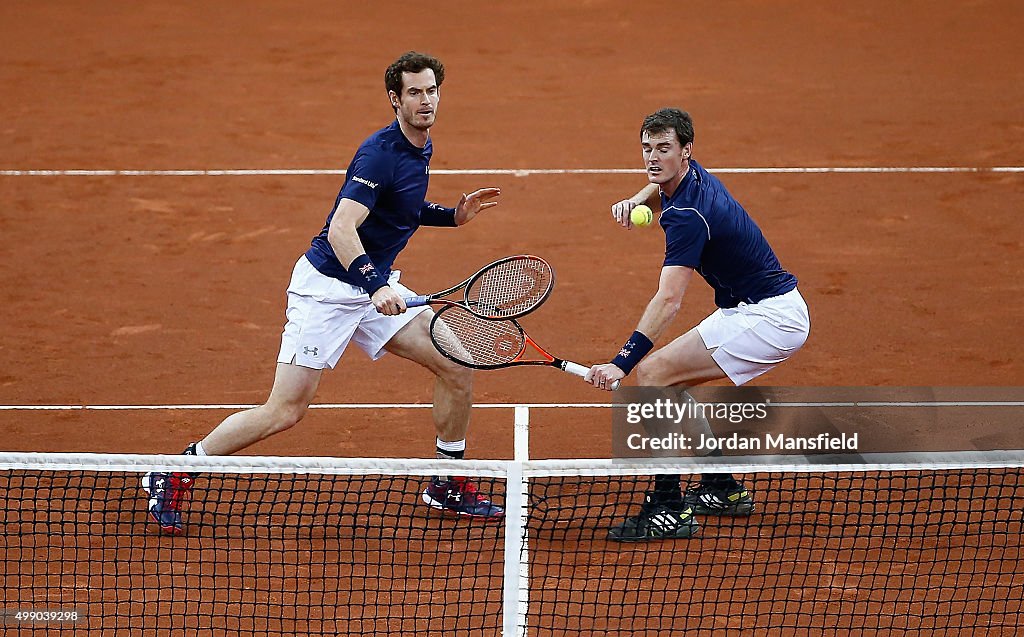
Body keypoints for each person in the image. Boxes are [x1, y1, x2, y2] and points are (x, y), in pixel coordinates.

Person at [142, 51, 504, 535]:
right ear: (395, 99)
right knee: (285, 410)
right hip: (330, 291)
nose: (425, 101)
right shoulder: (379, 153)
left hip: (370, 285)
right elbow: (341, 228)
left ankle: (447, 482)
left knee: (457, 362)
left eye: (431, 90)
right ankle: (173, 471)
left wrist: (450, 217)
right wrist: (376, 285)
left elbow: (401, 206)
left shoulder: (420, 145)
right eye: (414, 92)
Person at [585, 108, 810, 541]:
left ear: (687, 150)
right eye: (647, 149)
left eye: (664, 149)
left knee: (651, 375)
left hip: (770, 319)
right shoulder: (686, 177)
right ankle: (721, 487)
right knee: (669, 383)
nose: (653, 158)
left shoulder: (688, 216)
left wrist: (621, 362)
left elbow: (669, 300)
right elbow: (657, 182)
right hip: (750, 308)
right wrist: (637, 200)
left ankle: (669, 509)